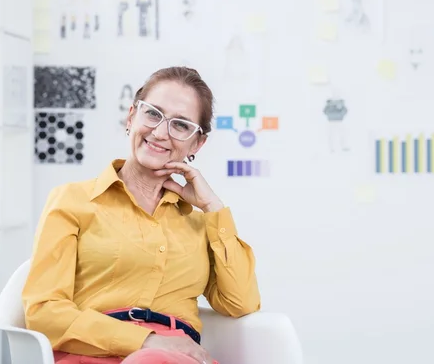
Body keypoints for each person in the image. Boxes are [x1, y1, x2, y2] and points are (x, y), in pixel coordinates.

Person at [21, 66, 261, 364]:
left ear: (197, 143)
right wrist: (146, 341)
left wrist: (213, 207)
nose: (160, 133)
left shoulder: (202, 223)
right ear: (131, 116)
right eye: (152, 114)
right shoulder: (72, 200)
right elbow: (43, 312)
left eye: (181, 125)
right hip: (89, 355)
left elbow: (240, 303)